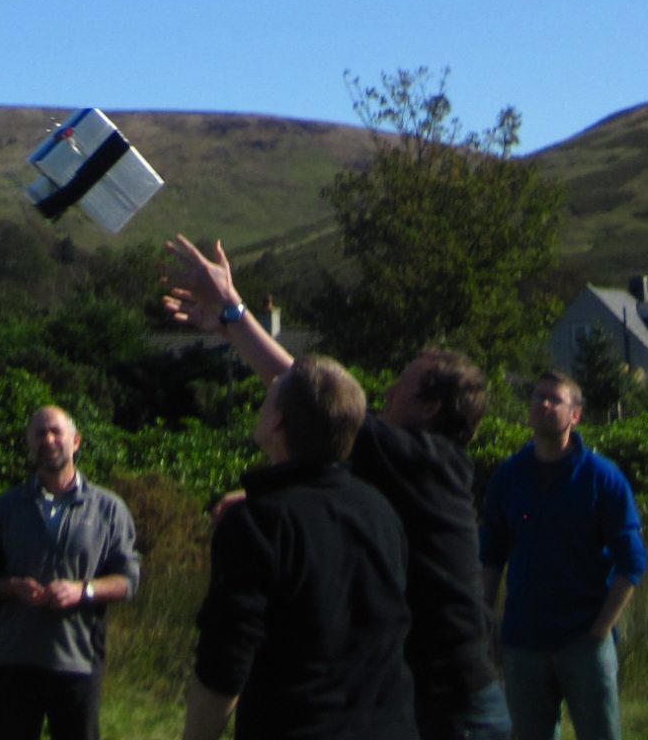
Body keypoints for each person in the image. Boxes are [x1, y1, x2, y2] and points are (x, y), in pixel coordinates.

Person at [164, 238, 507, 740]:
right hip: (419, 699)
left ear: (431, 408)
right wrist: (273, 502)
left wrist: (234, 313)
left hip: (453, 707)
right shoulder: (411, 475)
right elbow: (329, 490)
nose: (389, 390)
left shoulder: (423, 460)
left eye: (404, 383)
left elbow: (312, 398)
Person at [187, 355, 415, 740]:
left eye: (268, 398)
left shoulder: (259, 524)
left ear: (277, 422)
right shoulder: (381, 511)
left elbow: (224, 662)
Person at [479, 370, 646, 740]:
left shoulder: (602, 478)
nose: (543, 404)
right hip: (523, 642)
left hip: (583, 643)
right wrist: (485, 618)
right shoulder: (509, 477)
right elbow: (491, 556)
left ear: (576, 415)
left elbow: (632, 561)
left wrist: (600, 630)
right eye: (538, 397)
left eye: (554, 399)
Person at [0, 406, 139, 740]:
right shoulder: (6, 507)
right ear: (29, 443)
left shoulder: (108, 509)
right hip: (13, 660)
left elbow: (128, 581)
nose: (48, 439)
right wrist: (9, 587)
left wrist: (82, 591)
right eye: (39, 433)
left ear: (76, 442)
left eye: (56, 432)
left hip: (77, 661)